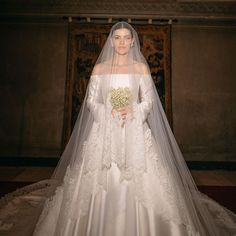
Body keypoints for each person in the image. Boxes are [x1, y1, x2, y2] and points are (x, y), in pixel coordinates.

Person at [0, 21, 236, 236]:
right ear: (111, 41)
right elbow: (92, 101)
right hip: (104, 131)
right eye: (117, 38)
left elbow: (150, 101)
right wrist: (107, 112)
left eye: (126, 38)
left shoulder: (140, 69)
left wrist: (135, 111)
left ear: (133, 41)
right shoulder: (100, 69)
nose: (122, 42)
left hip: (135, 133)